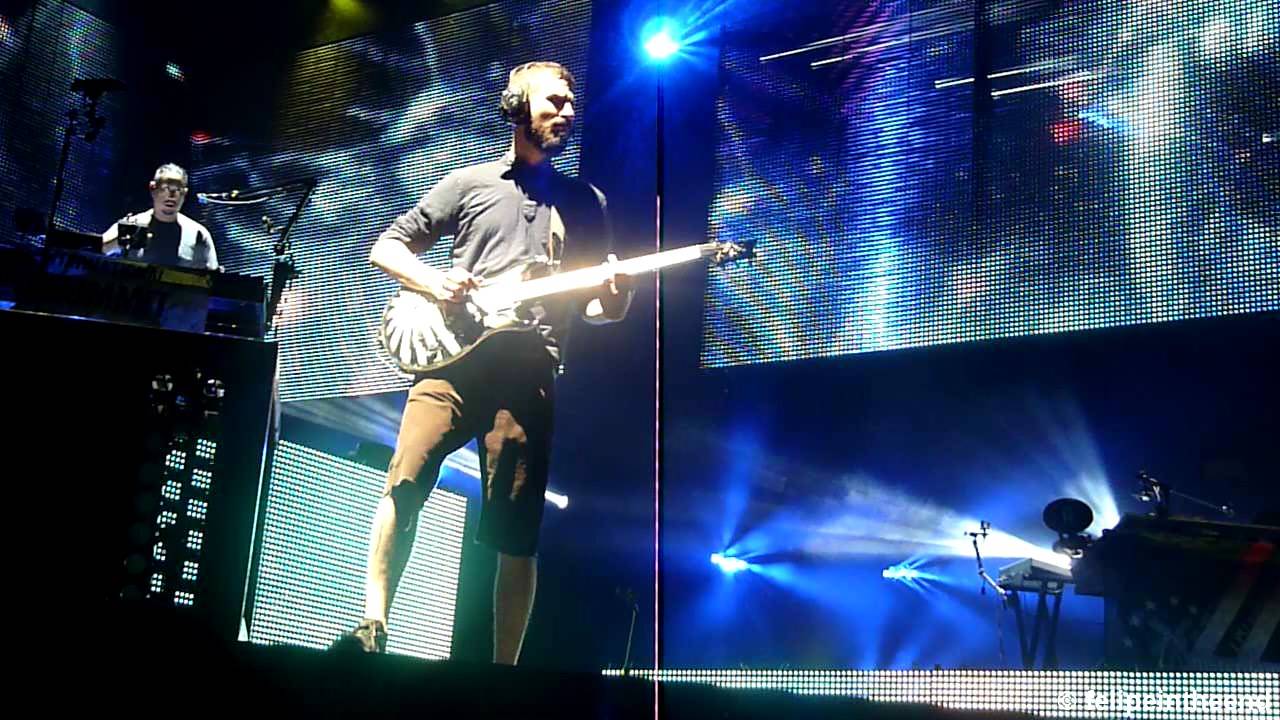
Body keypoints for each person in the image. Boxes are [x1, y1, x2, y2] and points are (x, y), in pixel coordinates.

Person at [335, 61, 632, 663]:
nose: (567, 112)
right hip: (453, 361)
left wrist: (616, 296)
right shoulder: (469, 183)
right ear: (518, 106)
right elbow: (387, 247)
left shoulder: (585, 203)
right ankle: (373, 624)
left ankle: (503, 674)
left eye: (571, 102)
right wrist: (435, 281)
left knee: (516, 530)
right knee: (405, 479)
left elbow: (595, 308)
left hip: (530, 371)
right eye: (554, 101)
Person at [102, 163, 218, 270]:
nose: (172, 195)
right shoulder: (133, 224)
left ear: (185, 193)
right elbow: (96, 251)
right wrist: (122, 238)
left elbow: (212, 277)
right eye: (166, 188)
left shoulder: (198, 234)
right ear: (153, 188)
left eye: (178, 190)